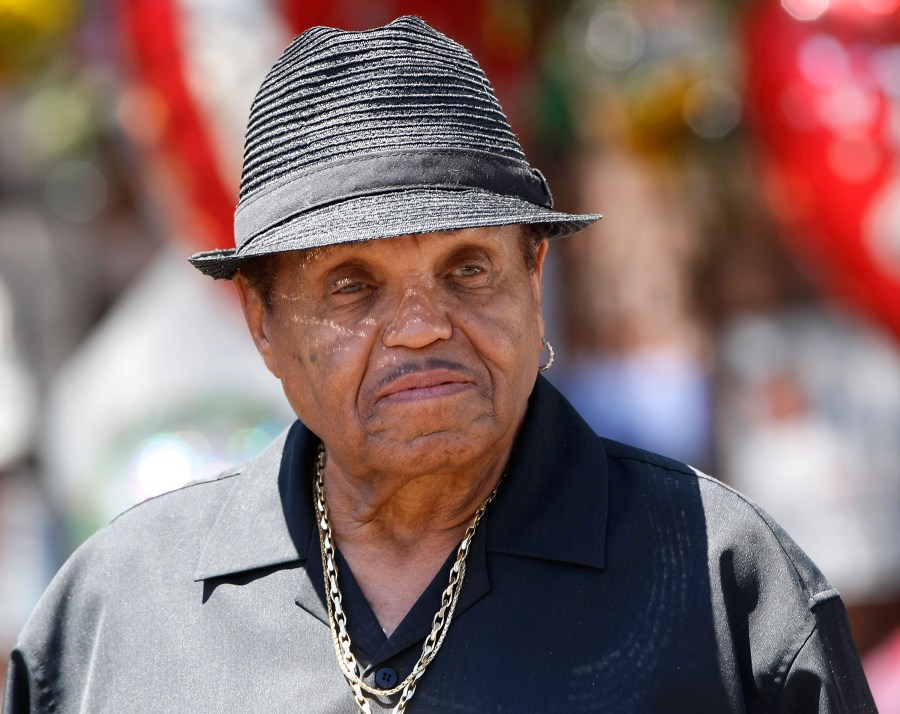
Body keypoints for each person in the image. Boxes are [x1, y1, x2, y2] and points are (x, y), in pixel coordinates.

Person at [4, 16, 875, 714]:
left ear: (535, 278)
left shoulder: (730, 584)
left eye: (467, 268)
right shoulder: (121, 606)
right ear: (261, 322)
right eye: (352, 285)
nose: (421, 327)